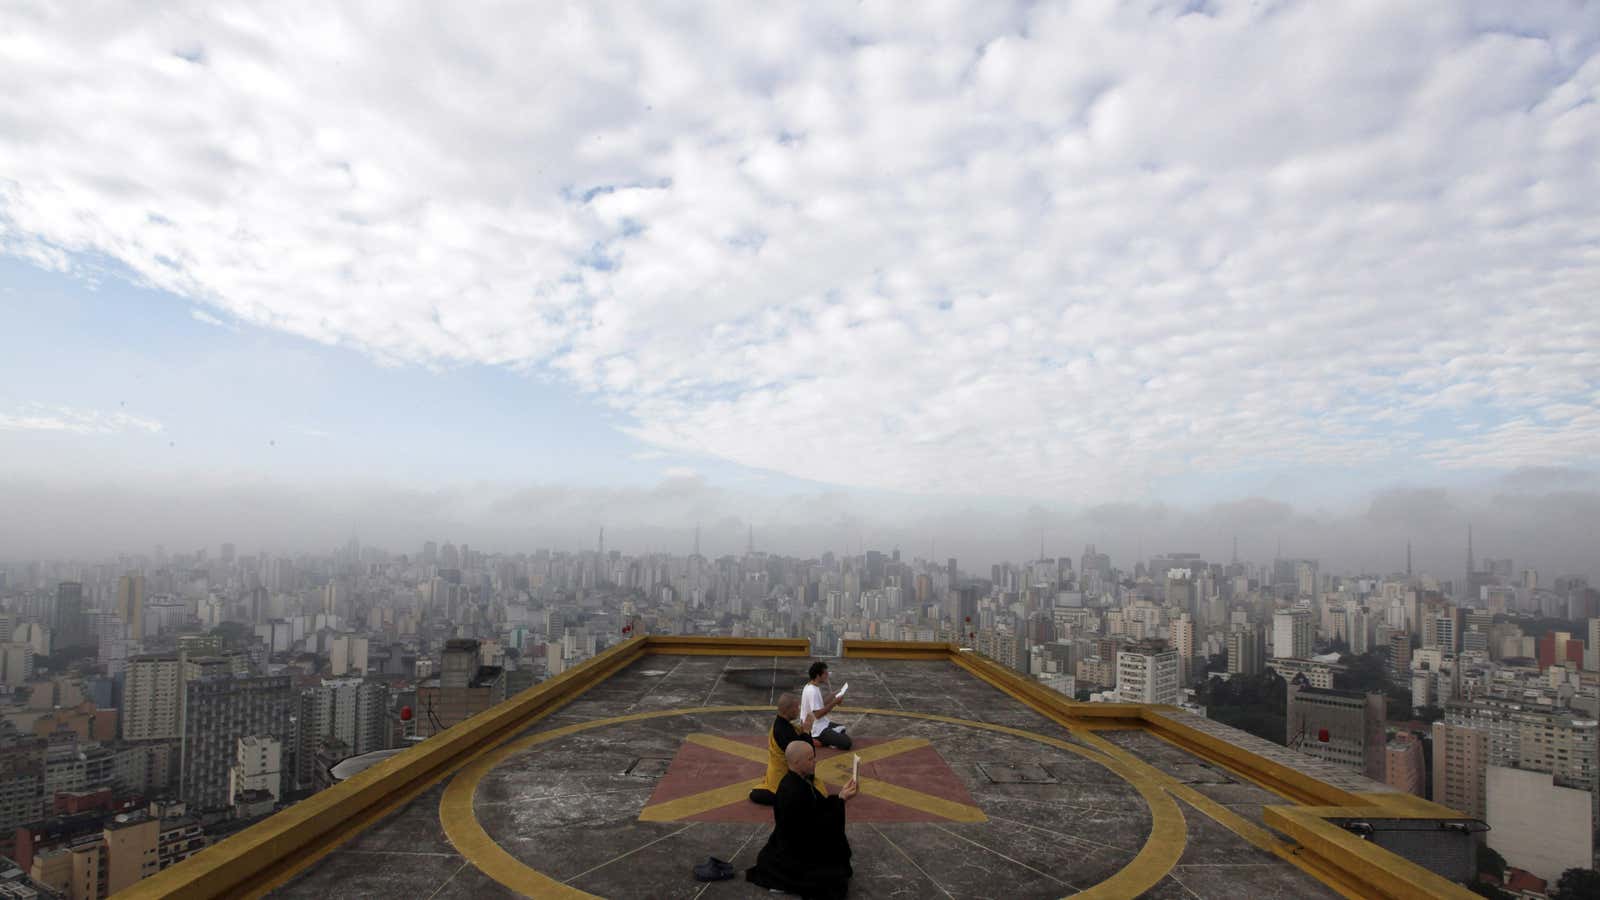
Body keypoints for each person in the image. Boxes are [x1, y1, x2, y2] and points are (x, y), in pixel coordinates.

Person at [745, 740, 858, 899]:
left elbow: (817, 806)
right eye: (811, 759)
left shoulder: (800, 781)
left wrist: (840, 797)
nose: (815, 761)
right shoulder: (792, 790)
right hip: (796, 851)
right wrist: (839, 803)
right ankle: (784, 882)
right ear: (797, 762)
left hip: (797, 840)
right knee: (835, 881)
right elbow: (812, 827)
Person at [750, 692, 809, 805]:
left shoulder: (781, 724)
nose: (798, 709)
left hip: (776, 774)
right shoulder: (784, 730)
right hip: (781, 779)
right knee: (755, 794)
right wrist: (806, 732)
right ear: (789, 710)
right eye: (797, 707)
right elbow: (804, 754)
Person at [800, 661, 852, 750]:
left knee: (842, 729)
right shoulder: (812, 691)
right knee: (847, 742)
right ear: (817, 675)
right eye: (825, 673)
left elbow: (820, 703)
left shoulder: (811, 686)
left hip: (819, 724)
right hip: (815, 728)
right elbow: (818, 715)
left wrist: (834, 694)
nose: (827, 675)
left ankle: (825, 740)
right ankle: (815, 740)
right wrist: (834, 702)